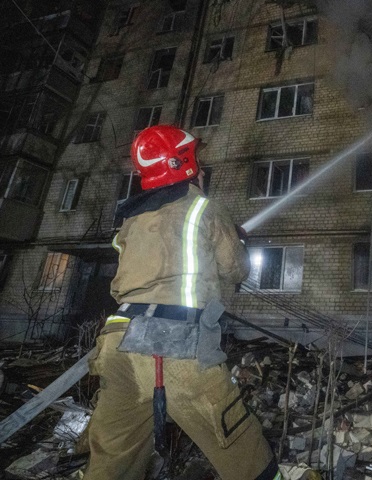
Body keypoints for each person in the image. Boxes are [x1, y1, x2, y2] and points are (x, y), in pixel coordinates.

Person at [84, 125, 280, 480]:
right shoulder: (203, 207)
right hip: (174, 345)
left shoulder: (130, 219)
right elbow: (236, 269)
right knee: (238, 446)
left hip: (118, 343)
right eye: (196, 160)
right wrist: (237, 241)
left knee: (113, 460)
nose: (201, 168)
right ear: (184, 163)